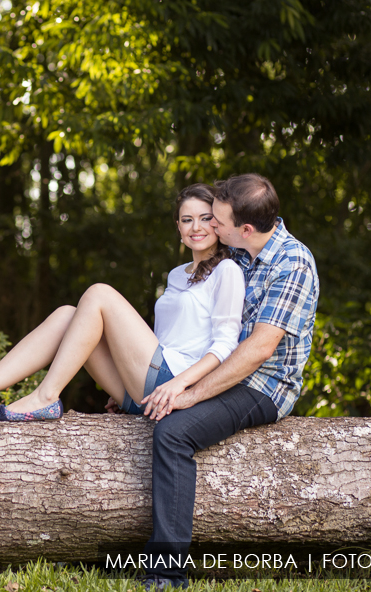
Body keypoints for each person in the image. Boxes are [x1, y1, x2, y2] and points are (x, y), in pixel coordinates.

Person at [137, 173, 319, 590]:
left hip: (264, 387)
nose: (211, 228)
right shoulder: (238, 257)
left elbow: (258, 350)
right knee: (167, 420)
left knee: (172, 432)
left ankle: (166, 575)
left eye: (217, 220)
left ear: (245, 228)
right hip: (227, 370)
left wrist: (191, 394)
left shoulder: (293, 263)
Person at [0, 182, 245, 428]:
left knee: (99, 293)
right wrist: (125, 376)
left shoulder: (227, 271)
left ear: (218, 224)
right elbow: (164, 341)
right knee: (67, 315)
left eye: (206, 219)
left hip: (175, 388)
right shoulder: (177, 275)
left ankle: (45, 396)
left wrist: (177, 385)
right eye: (187, 219)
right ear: (177, 226)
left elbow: (225, 346)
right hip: (148, 385)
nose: (196, 227)